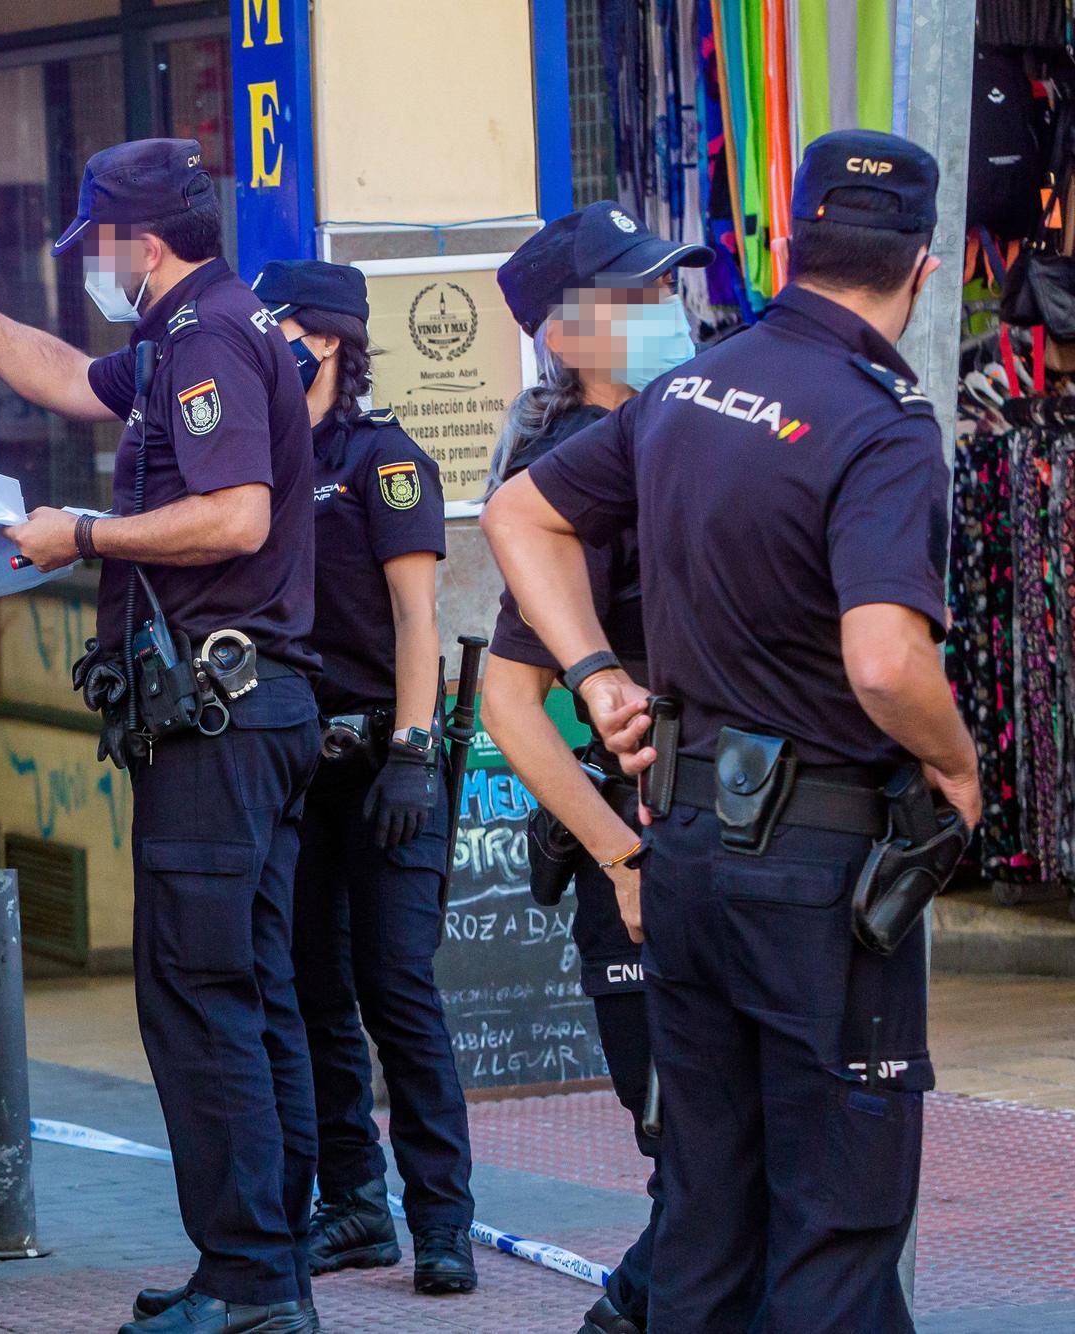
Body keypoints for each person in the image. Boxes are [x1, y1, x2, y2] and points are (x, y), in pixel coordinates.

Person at [481, 131, 982, 1332]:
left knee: (706, 1214)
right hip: (812, 875)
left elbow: (514, 511)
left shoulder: (689, 390)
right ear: (924, 269)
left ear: (792, 241)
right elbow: (881, 657)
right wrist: (958, 765)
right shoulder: (881, 424)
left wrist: (597, 676)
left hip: (689, 850)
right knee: (834, 1229)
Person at [0, 138, 322, 1334]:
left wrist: (79, 533)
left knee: (200, 995)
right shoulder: (189, 333)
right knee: (245, 988)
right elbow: (75, 380)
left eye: (101, 246)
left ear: (140, 240)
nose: (96, 267)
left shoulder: (212, 336)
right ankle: (259, 1264)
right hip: (246, 714)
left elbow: (235, 516)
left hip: (221, 720)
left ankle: (248, 1281)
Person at [477, 201, 710, 1334]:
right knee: (693, 1170)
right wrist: (618, 852)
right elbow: (506, 699)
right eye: (634, 296)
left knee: (717, 1173)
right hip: (643, 865)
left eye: (666, 285)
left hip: (719, 849)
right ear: (563, 338)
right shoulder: (573, 476)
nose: (666, 309)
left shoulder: (690, 428)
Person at [248, 260, 478, 1296]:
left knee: (396, 987)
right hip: (296, 764)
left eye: (278, 324)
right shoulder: (263, 455)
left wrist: (412, 753)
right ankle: (352, 1200)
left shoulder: (383, 459)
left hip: (386, 760)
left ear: (325, 337)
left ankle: (441, 1219)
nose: (262, 339)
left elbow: (415, 618)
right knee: (310, 990)